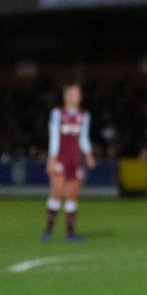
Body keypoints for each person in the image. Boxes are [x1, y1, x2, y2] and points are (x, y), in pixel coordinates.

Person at [41, 82, 96, 242]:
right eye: (73, 93)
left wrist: (89, 154)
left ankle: (70, 233)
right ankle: (48, 230)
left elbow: (84, 137)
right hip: (60, 158)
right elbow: (54, 138)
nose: (77, 96)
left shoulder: (84, 115)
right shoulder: (57, 113)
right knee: (57, 193)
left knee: (72, 195)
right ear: (66, 96)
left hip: (75, 159)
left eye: (78, 94)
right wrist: (52, 158)